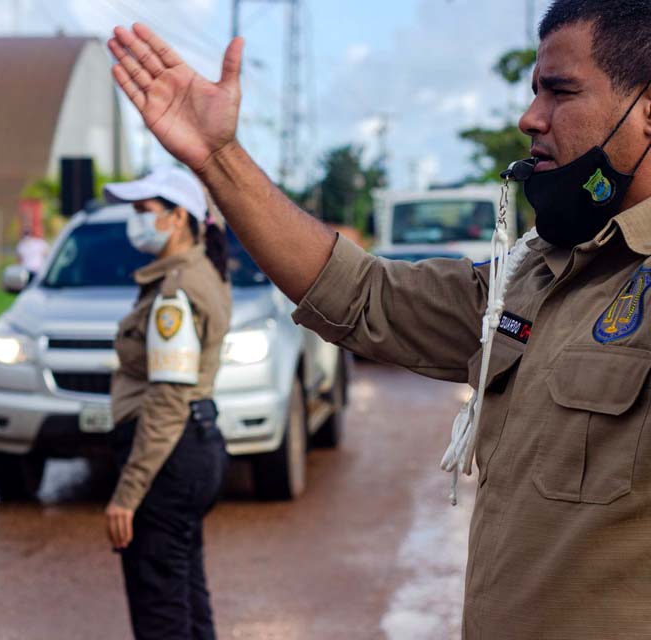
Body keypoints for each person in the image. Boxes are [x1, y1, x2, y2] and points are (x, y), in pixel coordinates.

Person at [108, 2, 651, 638]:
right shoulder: (535, 276)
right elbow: (361, 293)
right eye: (534, 92)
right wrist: (218, 158)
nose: (530, 118)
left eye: (560, 92)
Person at [103, 166, 231, 640]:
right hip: (193, 448)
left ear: (177, 218)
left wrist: (127, 493)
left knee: (161, 614)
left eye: (143, 210)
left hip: (168, 459)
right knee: (187, 602)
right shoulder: (196, 274)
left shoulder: (177, 292)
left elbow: (167, 401)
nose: (134, 220)